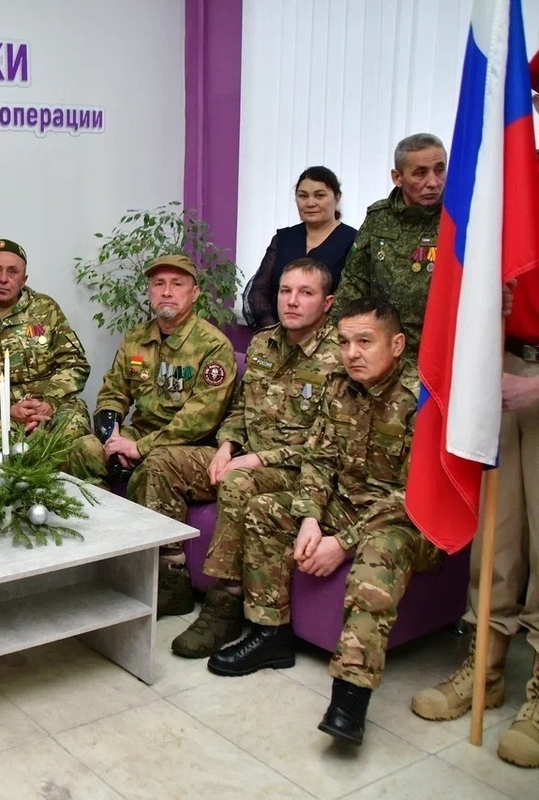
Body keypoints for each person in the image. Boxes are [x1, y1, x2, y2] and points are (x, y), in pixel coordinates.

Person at [207, 297, 441, 747]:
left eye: (365, 342)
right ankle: (270, 633)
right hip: (343, 504)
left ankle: (350, 695)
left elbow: (414, 494)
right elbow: (319, 460)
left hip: (405, 520)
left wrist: (344, 542)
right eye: (345, 342)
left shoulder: (422, 398)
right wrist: (311, 519)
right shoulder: (339, 385)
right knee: (267, 509)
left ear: (396, 345)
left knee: (379, 553)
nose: (352, 353)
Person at [409, 59, 539, 768]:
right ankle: (483, 667)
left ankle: (538, 691)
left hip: (537, 384)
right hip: (501, 366)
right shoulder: (513, 181)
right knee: (499, 536)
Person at [162, 257, 342, 657]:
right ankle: (168, 581)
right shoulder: (263, 343)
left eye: (305, 293)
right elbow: (242, 409)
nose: (292, 301)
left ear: (327, 303)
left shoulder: (340, 356)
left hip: (301, 471)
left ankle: (224, 604)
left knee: (239, 482)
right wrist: (226, 447)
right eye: (285, 291)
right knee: (168, 463)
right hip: (249, 455)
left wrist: (257, 460)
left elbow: (330, 443)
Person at [65, 253, 237, 616]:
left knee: (155, 463)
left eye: (177, 284)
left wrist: (139, 447)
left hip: (194, 446)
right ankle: (104, 548)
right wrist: (111, 437)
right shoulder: (137, 338)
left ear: (195, 293)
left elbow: (199, 419)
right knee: (83, 447)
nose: (167, 292)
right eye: (159, 284)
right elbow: (113, 392)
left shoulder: (213, 345)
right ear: (149, 292)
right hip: (139, 434)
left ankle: (171, 584)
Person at [0, 238, 91, 437]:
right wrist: (6, 408)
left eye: (12, 272)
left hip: (52, 404)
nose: (3, 279)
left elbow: (75, 363)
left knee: (73, 431)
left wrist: (50, 402)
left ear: (24, 280)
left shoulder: (46, 309)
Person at [333, 133, 447, 358]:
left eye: (439, 170)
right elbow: (354, 282)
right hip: (382, 351)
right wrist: (337, 339)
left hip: (439, 351)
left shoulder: (457, 218)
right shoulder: (379, 217)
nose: (433, 182)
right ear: (397, 177)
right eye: (420, 173)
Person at [242, 166, 357, 329]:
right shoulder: (283, 238)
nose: (310, 203)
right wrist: (276, 332)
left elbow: (354, 302)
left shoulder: (354, 242)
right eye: (303, 196)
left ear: (337, 198)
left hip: (331, 338)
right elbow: (258, 292)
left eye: (319, 195)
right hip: (278, 334)